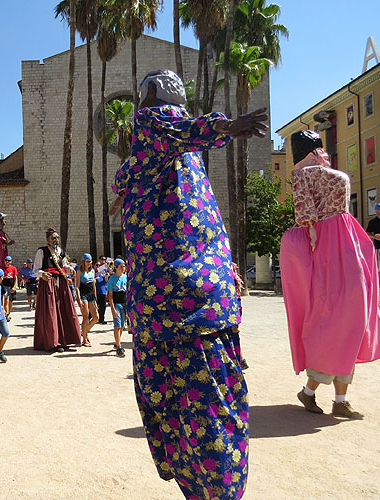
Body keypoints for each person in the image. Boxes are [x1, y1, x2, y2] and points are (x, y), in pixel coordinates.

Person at [110, 70, 268, 499]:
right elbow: (174, 126)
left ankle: (197, 489)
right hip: (193, 304)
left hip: (159, 311)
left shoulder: (157, 156)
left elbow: (155, 153)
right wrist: (226, 125)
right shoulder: (159, 133)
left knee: (172, 412)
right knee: (213, 411)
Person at [281, 130, 380, 420]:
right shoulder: (307, 174)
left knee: (349, 318)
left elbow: (306, 212)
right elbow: (305, 214)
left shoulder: (308, 173)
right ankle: (325, 395)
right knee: (337, 319)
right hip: (332, 243)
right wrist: (313, 241)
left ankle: (328, 396)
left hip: (342, 241)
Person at [32, 228, 81, 352]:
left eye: (57, 237)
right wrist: (42, 274)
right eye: (53, 238)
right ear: (48, 239)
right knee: (51, 311)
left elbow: (63, 265)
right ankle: (52, 342)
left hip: (62, 283)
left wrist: (70, 269)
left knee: (65, 309)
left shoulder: (61, 252)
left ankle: (65, 340)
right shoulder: (42, 251)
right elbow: (36, 269)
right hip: (48, 284)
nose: (56, 240)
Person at [75, 253, 98, 347]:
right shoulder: (80, 272)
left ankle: (84, 331)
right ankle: (84, 339)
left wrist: (95, 298)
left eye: (90, 261)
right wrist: (79, 299)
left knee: (96, 317)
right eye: (87, 261)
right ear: (83, 262)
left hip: (91, 295)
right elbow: (77, 286)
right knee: (86, 316)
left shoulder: (92, 271)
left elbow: (94, 285)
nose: (89, 263)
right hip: (83, 295)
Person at [106, 258, 127, 357]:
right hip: (116, 304)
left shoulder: (125, 277)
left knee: (122, 325)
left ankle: (117, 341)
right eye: (121, 266)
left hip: (124, 303)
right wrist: (113, 309)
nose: (123, 268)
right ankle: (119, 346)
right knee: (117, 325)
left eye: (124, 266)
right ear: (116, 267)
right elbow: (110, 296)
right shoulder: (112, 279)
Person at [1, 255, 18, 321]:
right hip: (4, 287)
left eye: (9, 260)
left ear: (11, 261)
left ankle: (8, 312)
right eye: (6, 260)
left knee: (10, 301)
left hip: (11, 287)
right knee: (6, 300)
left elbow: (15, 278)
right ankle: (6, 315)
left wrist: (15, 286)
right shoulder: (2, 268)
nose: (7, 262)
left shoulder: (13, 268)